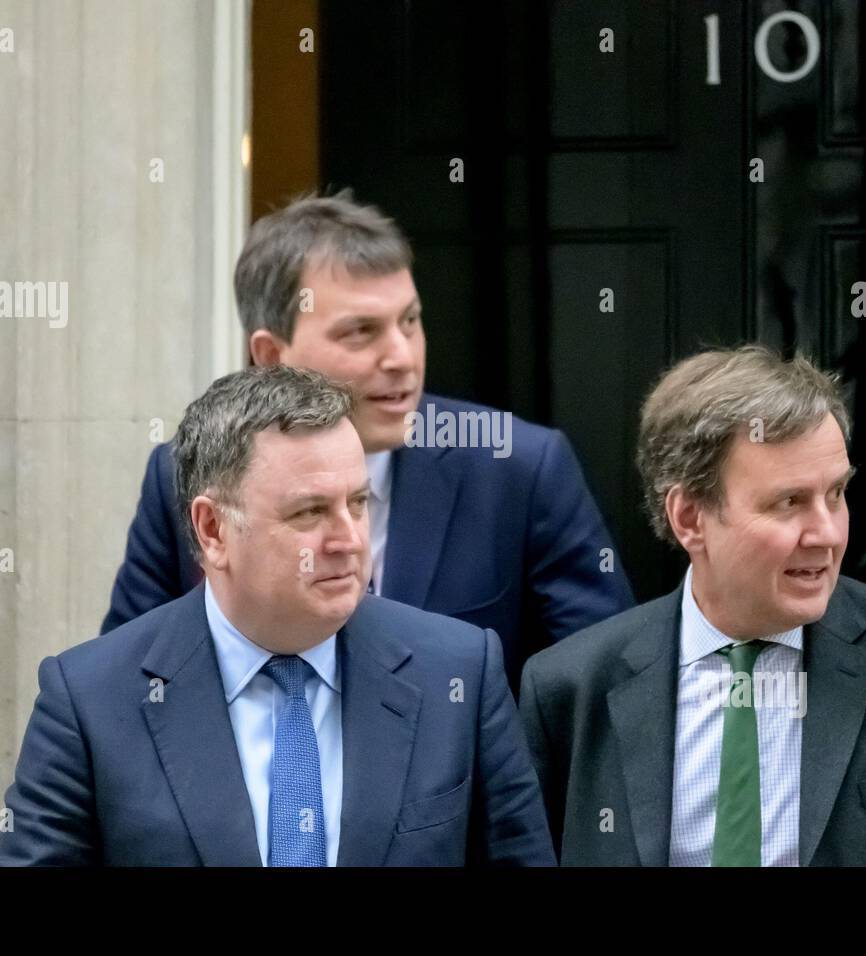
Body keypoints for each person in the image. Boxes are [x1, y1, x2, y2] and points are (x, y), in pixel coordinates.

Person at [519, 345, 866, 866]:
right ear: (690, 517)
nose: (828, 534)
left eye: (836, 494)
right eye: (789, 502)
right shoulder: (569, 688)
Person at [0, 365, 555, 866]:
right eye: (310, 511)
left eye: (358, 503)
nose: (348, 540)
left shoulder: (458, 675)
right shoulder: (90, 701)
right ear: (213, 529)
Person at [100, 191, 633, 692]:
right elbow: (127, 683)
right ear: (271, 355)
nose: (401, 357)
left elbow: (604, 686)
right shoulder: (187, 473)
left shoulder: (519, 467)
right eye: (360, 331)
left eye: (410, 322)